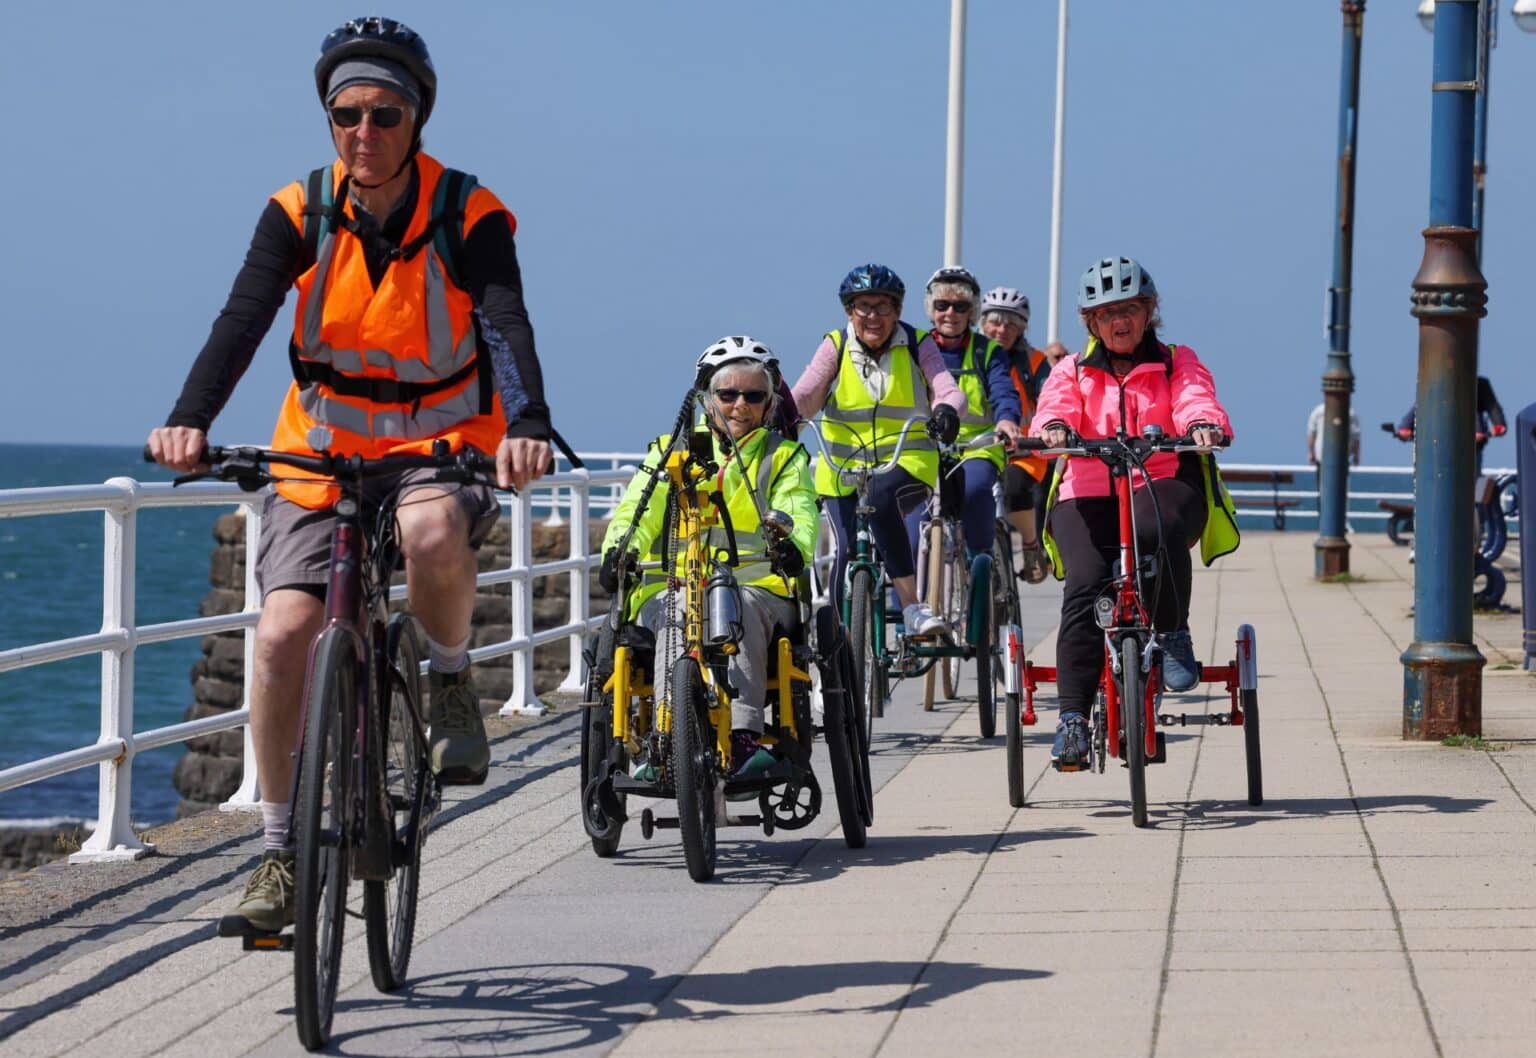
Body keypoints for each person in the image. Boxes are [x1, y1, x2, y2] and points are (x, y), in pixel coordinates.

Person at [146, 18, 554, 930]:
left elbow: (504, 323)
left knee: (431, 532)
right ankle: (279, 857)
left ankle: (447, 678)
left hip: (438, 449)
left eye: (385, 113)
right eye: (346, 115)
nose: (363, 133)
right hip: (319, 456)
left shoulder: (467, 213)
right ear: (329, 121)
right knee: (285, 634)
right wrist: (189, 420)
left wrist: (526, 422)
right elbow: (242, 319)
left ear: (417, 118)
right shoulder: (299, 210)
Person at [1033, 256, 1234, 771]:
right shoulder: (1070, 370)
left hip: (1161, 477)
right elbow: (1054, 408)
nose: (1119, 321)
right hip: (1089, 487)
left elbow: (1195, 398)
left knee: (1156, 528)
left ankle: (1171, 632)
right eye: (1106, 313)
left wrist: (1203, 426)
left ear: (1149, 312)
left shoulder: (1174, 361)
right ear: (1090, 323)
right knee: (1085, 584)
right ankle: (1073, 720)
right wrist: (1055, 428)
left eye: (1129, 309)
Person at [599, 337, 817, 777]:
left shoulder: (784, 456)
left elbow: (801, 511)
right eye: (728, 394)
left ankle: (742, 737)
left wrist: (795, 547)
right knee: (678, 611)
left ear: (770, 402)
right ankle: (665, 739)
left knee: (734, 605)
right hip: (676, 586)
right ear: (705, 399)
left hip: (758, 590)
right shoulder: (672, 452)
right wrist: (619, 551)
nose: (740, 405)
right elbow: (636, 512)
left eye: (753, 395)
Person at [790, 264, 967, 635]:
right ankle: (839, 649)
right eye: (863, 307)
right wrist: (780, 414)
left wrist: (947, 410)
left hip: (906, 463)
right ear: (849, 312)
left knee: (882, 502)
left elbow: (946, 388)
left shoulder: (919, 344)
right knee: (843, 558)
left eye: (883, 307)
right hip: (841, 469)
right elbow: (805, 394)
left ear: (898, 311)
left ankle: (910, 608)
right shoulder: (835, 346)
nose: (873, 316)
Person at [911, 269, 1024, 576]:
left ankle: (981, 568)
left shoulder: (987, 351)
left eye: (960, 307)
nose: (950, 313)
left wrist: (1006, 421)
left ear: (972, 312)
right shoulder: (914, 346)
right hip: (925, 446)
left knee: (975, 491)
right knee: (909, 518)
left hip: (977, 445)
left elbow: (1003, 392)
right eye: (942, 305)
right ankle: (908, 610)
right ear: (930, 309)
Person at [980, 286, 1051, 583]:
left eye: (1011, 323)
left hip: (1024, 452)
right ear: (982, 322)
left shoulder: (1034, 363)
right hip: (979, 448)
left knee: (1014, 485)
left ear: (1022, 327)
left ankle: (1032, 545)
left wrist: (1048, 429)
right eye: (995, 321)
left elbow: (1050, 401)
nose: (1002, 329)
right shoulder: (970, 357)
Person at [1395, 375, 1508, 472]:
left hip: (1470, 451)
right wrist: (1405, 428)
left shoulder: (1480, 385)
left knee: (1470, 485)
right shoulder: (1436, 383)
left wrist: (1498, 426)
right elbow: (1419, 406)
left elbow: (1494, 409)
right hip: (1437, 448)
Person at [1306, 402, 1361, 473]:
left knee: (1322, 481)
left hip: (1321, 456)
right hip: (1342, 457)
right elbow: (1356, 437)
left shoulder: (1317, 411)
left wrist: (1311, 453)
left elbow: (1311, 434)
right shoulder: (1350, 412)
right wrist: (1356, 456)